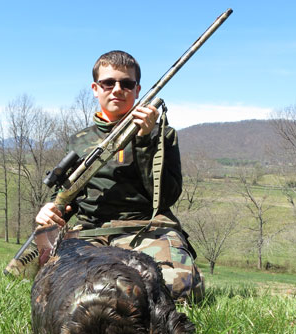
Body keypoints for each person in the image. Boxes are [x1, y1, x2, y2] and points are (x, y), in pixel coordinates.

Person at [36, 50, 204, 301]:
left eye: (127, 83)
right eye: (108, 83)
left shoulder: (163, 135)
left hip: (146, 228)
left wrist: (146, 141)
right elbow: (69, 194)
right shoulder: (79, 141)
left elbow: (167, 196)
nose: (117, 89)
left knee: (180, 289)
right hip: (91, 232)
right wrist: (51, 209)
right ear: (95, 88)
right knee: (60, 292)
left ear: (137, 90)